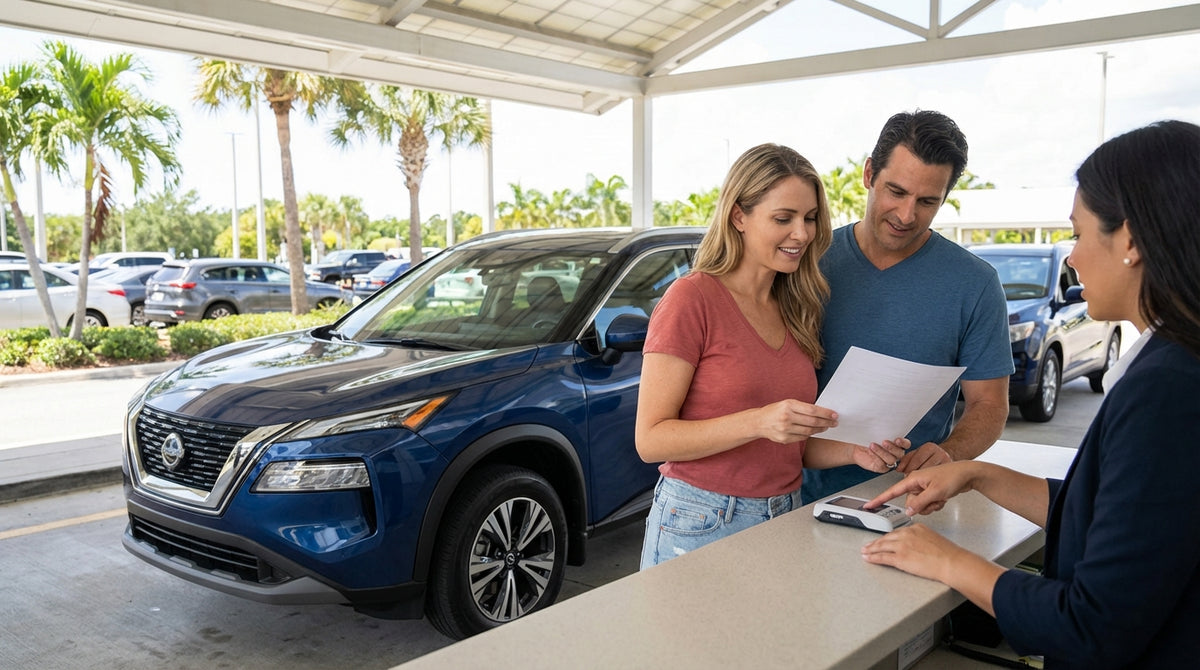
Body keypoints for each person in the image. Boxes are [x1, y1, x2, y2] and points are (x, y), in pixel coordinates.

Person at [861, 120, 1200, 668]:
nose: (1070, 257)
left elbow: (1091, 625)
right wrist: (977, 473)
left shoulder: (1169, 390)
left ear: (1131, 242)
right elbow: (1110, 516)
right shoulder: (1172, 366)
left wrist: (950, 562)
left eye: (1080, 233)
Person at [636, 143, 909, 569]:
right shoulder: (691, 299)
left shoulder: (796, 306)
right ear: (739, 216)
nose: (802, 233)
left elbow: (789, 446)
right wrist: (760, 421)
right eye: (784, 218)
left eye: (810, 218)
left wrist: (854, 451)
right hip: (700, 520)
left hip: (785, 513)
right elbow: (650, 441)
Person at [800, 110, 1012, 504]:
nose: (906, 215)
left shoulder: (975, 283)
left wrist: (952, 452)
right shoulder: (805, 262)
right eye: (895, 192)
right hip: (790, 498)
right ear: (868, 175)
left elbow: (989, 404)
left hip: (908, 501)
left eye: (927, 201)